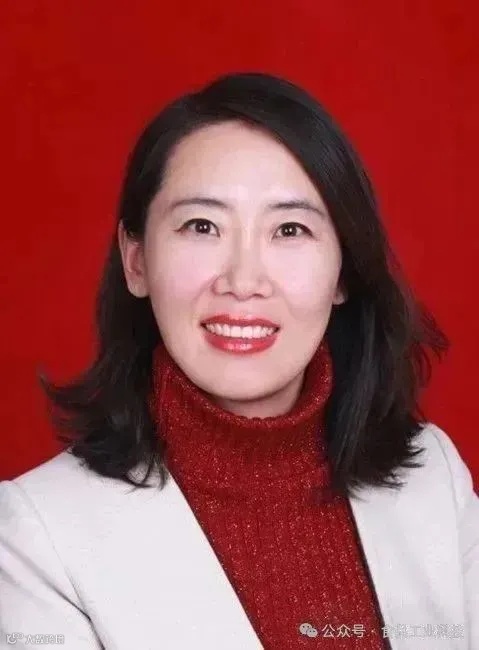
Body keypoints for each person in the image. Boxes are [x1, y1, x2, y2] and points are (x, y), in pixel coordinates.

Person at [0, 72, 477, 650]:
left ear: (344, 271)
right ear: (136, 261)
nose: (244, 280)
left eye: (290, 229)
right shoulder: (36, 536)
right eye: (202, 226)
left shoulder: (434, 478)